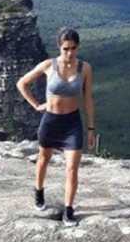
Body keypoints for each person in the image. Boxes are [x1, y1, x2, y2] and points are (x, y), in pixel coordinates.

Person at [16, 28, 95, 226]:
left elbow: (88, 99)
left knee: (72, 168)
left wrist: (91, 129)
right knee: (43, 159)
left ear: (78, 47)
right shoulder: (48, 65)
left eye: (74, 48)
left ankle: (69, 210)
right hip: (51, 120)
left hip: (72, 123)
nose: (70, 53)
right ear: (59, 47)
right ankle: (39, 191)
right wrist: (36, 105)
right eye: (66, 48)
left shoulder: (85, 68)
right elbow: (22, 83)